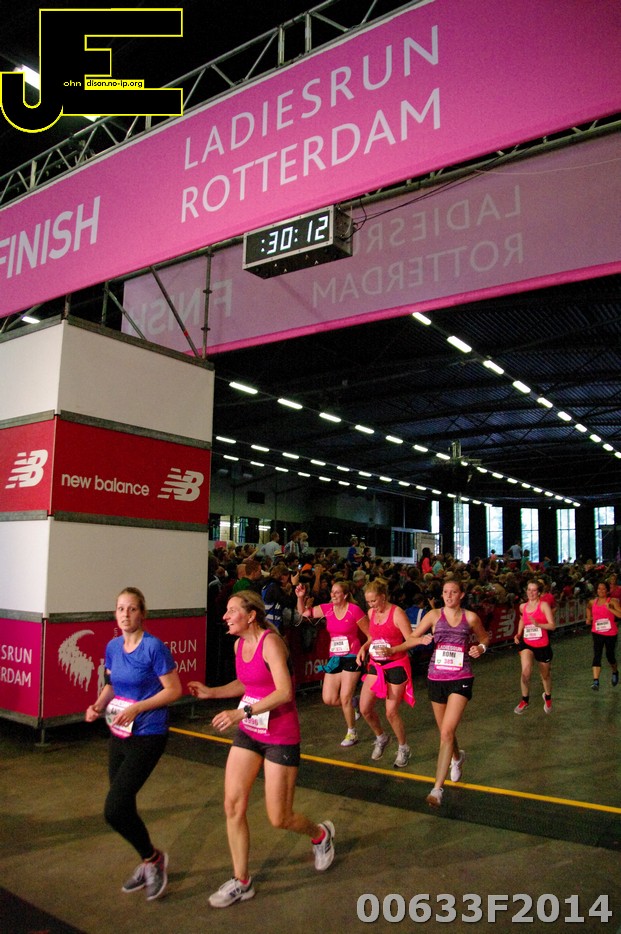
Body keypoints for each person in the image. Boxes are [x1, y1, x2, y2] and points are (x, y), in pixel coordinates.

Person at [188, 591, 335, 908]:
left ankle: (320, 835)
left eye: (232, 611)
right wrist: (213, 692)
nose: (225, 616)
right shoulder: (239, 645)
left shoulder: (271, 643)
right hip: (249, 733)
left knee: (279, 817)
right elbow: (247, 684)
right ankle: (242, 881)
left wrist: (241, 713)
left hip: (280, 735)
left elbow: (284, 692)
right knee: (232, 805)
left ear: (251, 615)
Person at [85, 586, 182, 901]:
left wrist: (138, 708)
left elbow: (174, 690)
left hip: (149, 734)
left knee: (113, 809)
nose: (125, 614)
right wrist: (98, 705)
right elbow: (112, 684)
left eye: (132, 609)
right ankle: (150, 859)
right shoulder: (113, 646)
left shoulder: (154, 648)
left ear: (143, 614)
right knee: (123, 806)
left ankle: (154, 860)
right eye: (120, 609)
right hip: (119, 733)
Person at [408, 578, 488, 807]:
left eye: (453, 592)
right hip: (436, 678)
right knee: (445, 731)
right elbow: (412, 637)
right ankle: (457, 757)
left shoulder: (470, 617)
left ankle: (437, 789)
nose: (449, 595)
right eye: (445, 592)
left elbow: (484, 637)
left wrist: (481, 647)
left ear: (461, 594)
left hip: (461, 677)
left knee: (446, 732)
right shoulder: (433, 615)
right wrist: (420, 639)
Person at [295, 578, 369, 747]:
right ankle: (355, 703)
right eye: (332, 592)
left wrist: (363, 649)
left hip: (352, 656)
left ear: (345, 595)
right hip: (335, 657)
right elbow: (304, 613)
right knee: (328, 698)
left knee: (344, 696)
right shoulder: (327, 609)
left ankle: (352, 732)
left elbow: (371, 634)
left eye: (337, 592)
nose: (333, 595)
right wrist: (300, 597)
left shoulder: (354, 610)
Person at [355, 578, 415, 768]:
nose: (371, 605)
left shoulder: (397, 613)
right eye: (368, 602)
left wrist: (393, 650)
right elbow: (373, 637)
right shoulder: (371, 613)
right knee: (365, 708)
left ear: (383, 597)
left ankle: (403, 747)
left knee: (391, 712)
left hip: (396, 664)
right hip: (376, 664)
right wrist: (364, 647)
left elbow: (411, 640)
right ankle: (381, 737)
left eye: (373, 601)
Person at [513, 579, 556, 715]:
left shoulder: (544, 606)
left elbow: (552, 626)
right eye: (529, 590)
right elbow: (522, 619)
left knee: (545, 675)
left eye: (534, 590)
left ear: (539, 592)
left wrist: (538, 625)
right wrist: (518, 633)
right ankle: (525, 700)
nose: (531, 593)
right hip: (527, 643)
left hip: (542, 644)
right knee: (525, 673)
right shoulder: (522, 606)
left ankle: (547, 696)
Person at [586, 580, 621, 690]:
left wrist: (610, 608)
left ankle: (615, 671)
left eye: (603, 589)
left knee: (610, 655)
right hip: (597, 632)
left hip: (610, 633)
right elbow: (588, 608)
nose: (601, 591)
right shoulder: (592, 602)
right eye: (599, 589)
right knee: (597, 654)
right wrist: (588, 618)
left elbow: (620, 614)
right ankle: (596, 681)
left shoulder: (613, 601)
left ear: (607, 590)